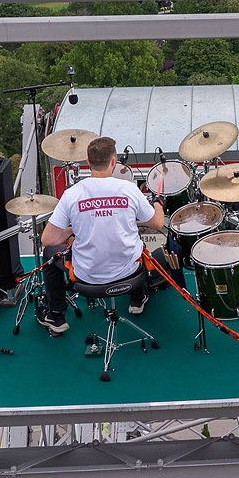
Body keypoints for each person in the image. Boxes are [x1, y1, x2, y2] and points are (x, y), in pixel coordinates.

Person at [38, 136, 165, 337]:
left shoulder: (72, 194)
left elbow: (48, 239)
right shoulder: (129, 189)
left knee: (50, 253)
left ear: (88, 162)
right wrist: (158, 203)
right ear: (113, 161)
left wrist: (71, 229)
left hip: (87, 277)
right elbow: (157, 223)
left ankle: (56, 316)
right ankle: (137, 298)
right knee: (137, 244)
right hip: (129, 273)